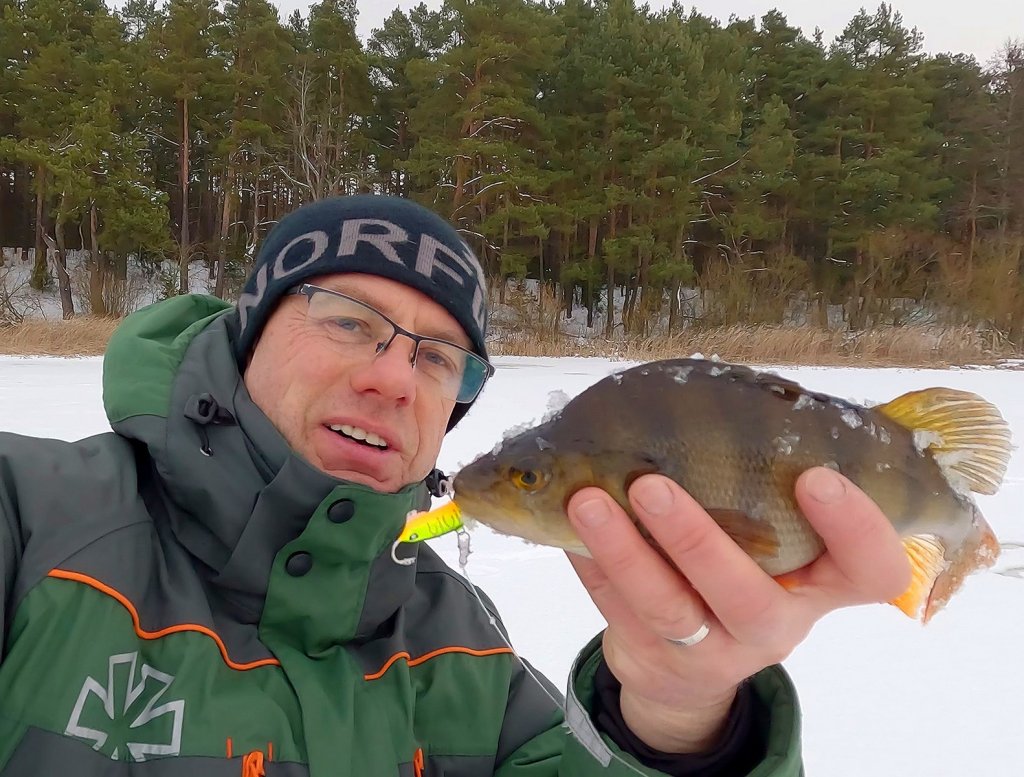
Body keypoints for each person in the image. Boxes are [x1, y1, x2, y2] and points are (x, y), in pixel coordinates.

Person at [0, 195, 911, 776]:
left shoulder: (467, 657)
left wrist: (679, 715)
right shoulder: (30, 518)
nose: (394, 379)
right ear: (246, 334)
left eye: (438, 357)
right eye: (351, 320)